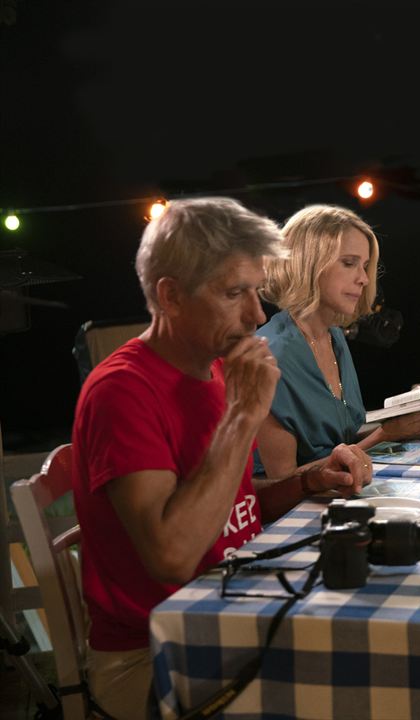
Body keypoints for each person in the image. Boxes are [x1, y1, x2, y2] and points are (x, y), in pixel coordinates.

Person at [71, 198, 374, 720]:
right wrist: (241, 417)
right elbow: (171, 555)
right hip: (158, 649)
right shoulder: (123, 391)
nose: (257, 315)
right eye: (234, 294)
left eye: (257, 292)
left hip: (230, 607)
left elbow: (224, 503)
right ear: (170, 296)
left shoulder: (214, 368)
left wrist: (307, 480)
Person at [254, 204, 420, 479]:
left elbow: (340, 440)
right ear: (308, 263)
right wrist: (384, 434)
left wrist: (402, 424)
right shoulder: (271, 355)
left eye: (365, 266)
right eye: (349, 263)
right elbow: (282, 485)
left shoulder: (334, 336)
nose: (363, 278)